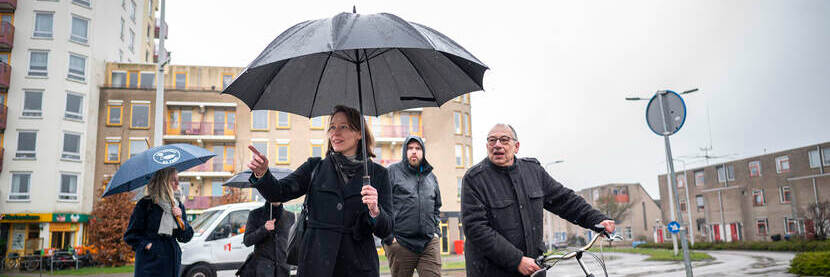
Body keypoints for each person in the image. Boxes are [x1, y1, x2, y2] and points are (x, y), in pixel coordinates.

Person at [246, 105, 393, 277]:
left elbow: (386, 229)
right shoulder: (314, 167)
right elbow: (279, 192)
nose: (335, 133)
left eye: (343, 127)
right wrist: (262, 174)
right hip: (316, 264)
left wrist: (375, 211)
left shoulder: (379, 175)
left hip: (358, 267)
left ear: (359, 133)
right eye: (332, 127)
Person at [461, 124, 616, 277]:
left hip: (534, 269)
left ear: (516, 146)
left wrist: (597, 219)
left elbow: (564, 200)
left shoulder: (533, 171)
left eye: (504, 140)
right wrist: (517, 260)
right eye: (492, 140)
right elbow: (476, 228)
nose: (497, 145)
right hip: (491, 271)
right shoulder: (474, 179)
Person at [382, 136, 442, 277]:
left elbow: (436, 207)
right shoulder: (392, 172)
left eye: (418, 148)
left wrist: (436, 233)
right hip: (400, 243)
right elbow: (382, 205)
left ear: (423, 152)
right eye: (410, 148)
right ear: (404, 151)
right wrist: (389, 238)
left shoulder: (431, 177)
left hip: (428, 242)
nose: (414, 151)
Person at [124, 167, 194, 277]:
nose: (177, 183)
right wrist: (148, 246)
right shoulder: (146, 204)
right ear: (163, 181)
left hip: (171, 260)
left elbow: (186, 237)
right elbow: (131, 235)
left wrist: (181, 220)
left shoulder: (178, 205)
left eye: (178, 179)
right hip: (150, 263)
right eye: (173, 180)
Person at [238, 201, 295, 277]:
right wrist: (264, 229)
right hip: (262, 270)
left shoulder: (291, 216)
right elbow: (247, 241)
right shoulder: (255, 214)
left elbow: (293, 243)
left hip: (283, 270)